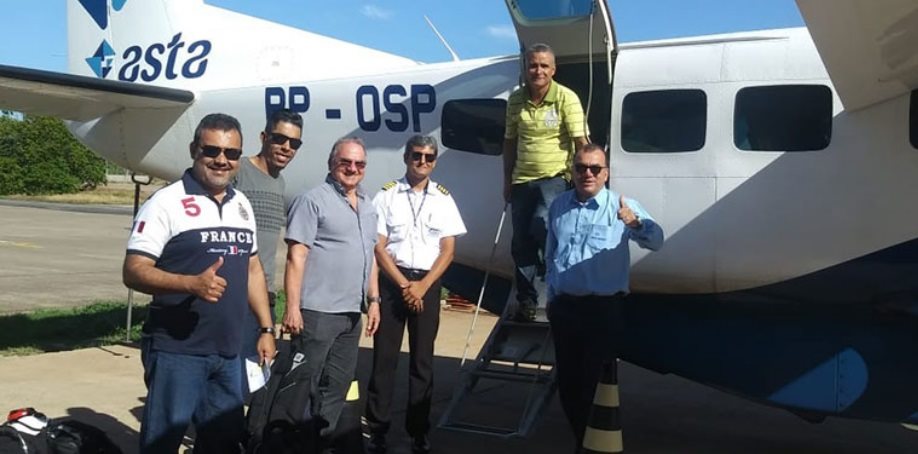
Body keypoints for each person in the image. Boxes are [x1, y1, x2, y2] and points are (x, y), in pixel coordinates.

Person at [123, 113, 277, 454]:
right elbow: (133, 270)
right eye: (212, 150)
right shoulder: (166, 202)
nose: (222, 160)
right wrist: (189, 284)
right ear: (195, 149)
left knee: (221, 444)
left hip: (229, 352)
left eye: (232, 153)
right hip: (178, 351)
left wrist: (266, 328)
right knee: (162, 443)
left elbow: (253, 269)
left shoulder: (241, 204)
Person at [545, 143, 664, 449]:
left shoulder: (621, 206)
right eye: (581, 167)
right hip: (565, 309)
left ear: (606, 173)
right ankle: (582, 442)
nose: (588, 174)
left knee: (595, 385)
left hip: (602, 310)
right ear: (572, 171)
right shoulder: (559, 206)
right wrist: (552, 295)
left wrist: (635, 223)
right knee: (568, 386)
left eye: (595, 169)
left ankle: (594, 444)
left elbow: (657, 240)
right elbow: (552, 252)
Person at [365, 135, 466, 454]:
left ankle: (418, 431)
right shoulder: (387, 195)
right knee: (384, 359)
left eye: (428, 157)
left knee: (422, 362)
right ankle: (378, 428)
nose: (422, 162)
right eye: (417, 156)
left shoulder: (443, 198)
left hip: (428, 283)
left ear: (435, 161)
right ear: (406, 157)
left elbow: (448, 250)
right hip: (394, 284)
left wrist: (422, 286)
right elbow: (378, 245)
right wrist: (403, 284)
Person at [282, 136, 381, 449]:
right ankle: (286, 443)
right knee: (301, 386)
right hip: (317, 312)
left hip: (351, 314)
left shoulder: (367, 206)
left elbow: (372, 256)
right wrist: (293, 307)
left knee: (336, 386)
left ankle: (323, 443)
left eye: (359, 163)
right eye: (345, 162)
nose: (352, 168)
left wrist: (374, 300)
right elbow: (296, 256)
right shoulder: (313, 200)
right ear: (331, 163)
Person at [503, 42, 590, 321]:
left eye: (543, 65)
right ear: (525, 68)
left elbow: (580, 142)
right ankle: (527, 301)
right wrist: (506, 180)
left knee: (543, 227)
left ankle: (552, 285)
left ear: (553, 69)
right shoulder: (516, 100)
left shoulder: (566, 98)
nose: (537, 70)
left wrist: (585, 181)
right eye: (532, 65)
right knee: (520, 243)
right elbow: (509, 142)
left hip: (554, 178)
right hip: (521, 180)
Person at [232, 108, 303, 393]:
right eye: (279, 139)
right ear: (263, 137)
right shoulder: (239, 171)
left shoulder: (279, 182)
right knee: (229, 374)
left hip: (264, 295)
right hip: (234, 291)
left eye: (294, 143)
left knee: (255, 375)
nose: (286, 147)